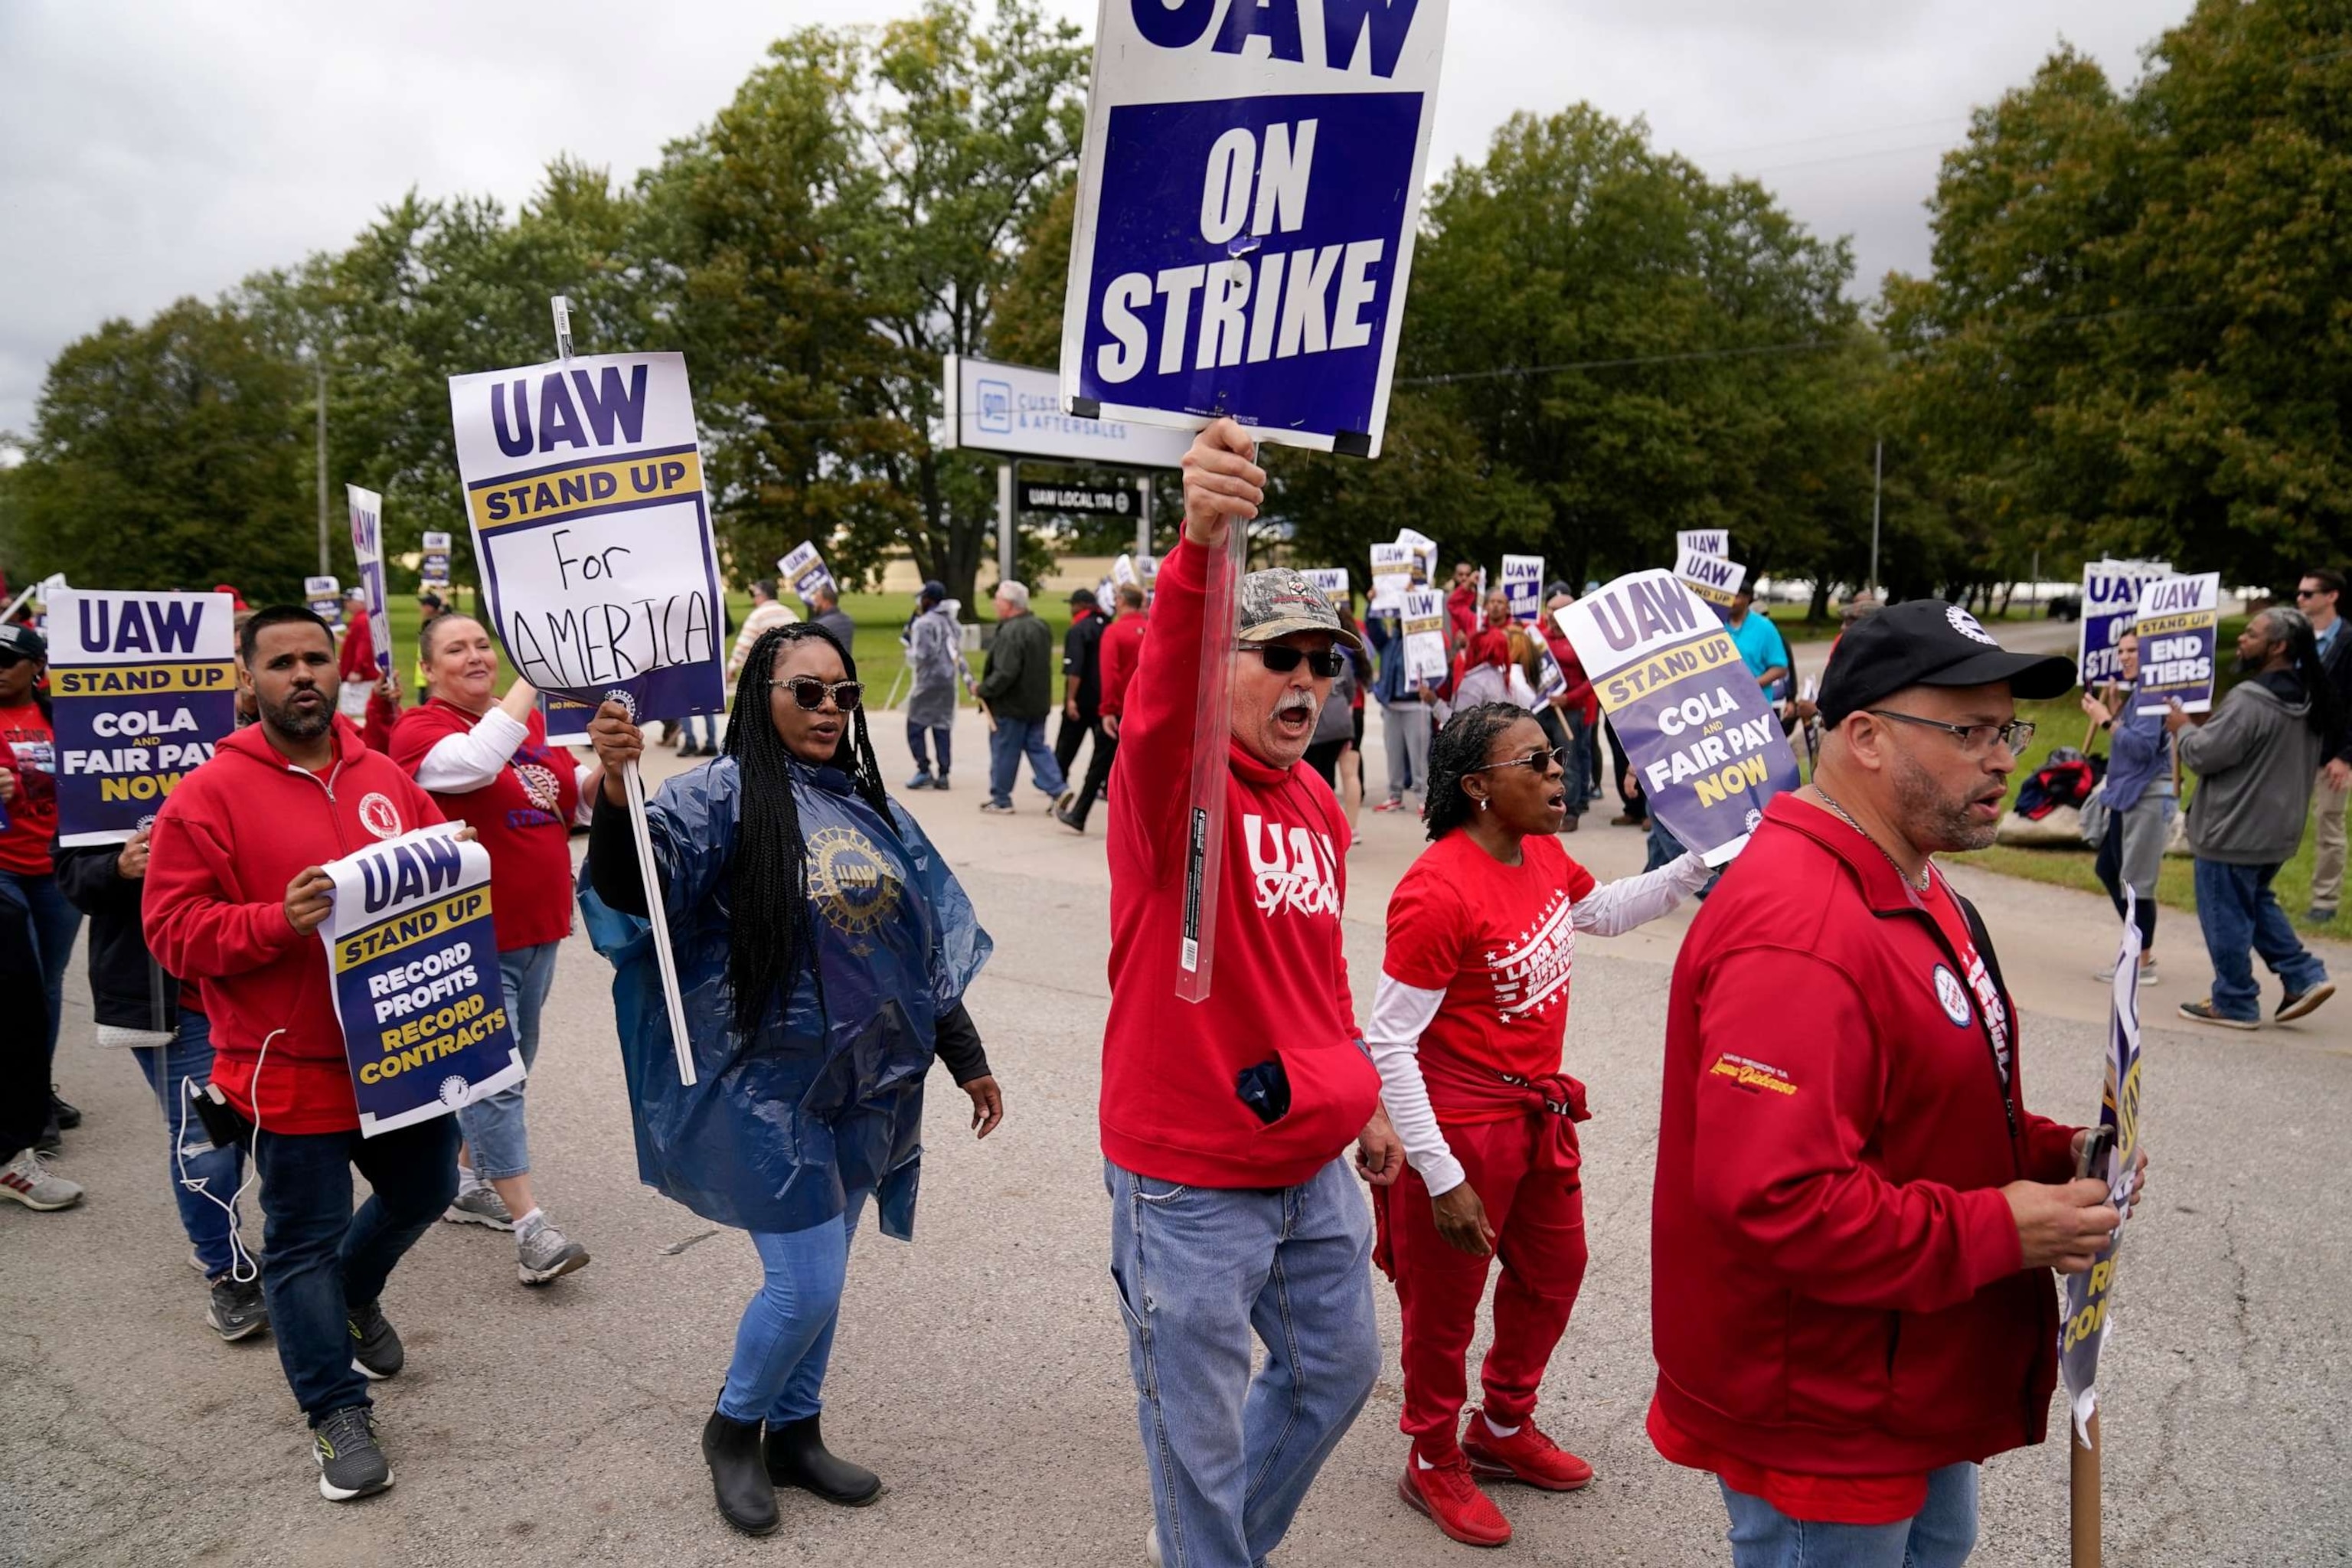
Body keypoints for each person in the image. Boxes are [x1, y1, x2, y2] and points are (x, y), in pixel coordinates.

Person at [1649, 599, 2140, 1568]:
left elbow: (1916, 1099)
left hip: (1904, 1361)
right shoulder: (1798, 927)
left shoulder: (1912, 878)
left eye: (2008, 728)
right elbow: (1779, 1200)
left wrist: (2057, 1156)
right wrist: (2008, 1227)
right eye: (1970, 729)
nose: (2004, 756)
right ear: (1864, 737)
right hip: (1823, 1404)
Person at [577, 620, 1003, 1537]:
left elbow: (917, 942)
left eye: (842, 693)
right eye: (805, 691)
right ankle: (733, 1428)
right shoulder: (720, 797)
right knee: (803, 1281)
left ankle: (796, 1433)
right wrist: (616, 789)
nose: (828, 708)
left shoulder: (867, 800)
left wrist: (965, 1056)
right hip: (761, 1089)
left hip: (863, 1083)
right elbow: (631, 886)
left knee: (830, 1269)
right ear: (757, 697)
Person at [1100, 418, 1403, 1568]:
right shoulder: (1172, 782)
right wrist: (1202, 546)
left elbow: (1318, 967)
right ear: (1225, 660)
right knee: (1196, 1435)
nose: (1308, 683)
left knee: (1335, 1375)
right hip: (1187, 1182)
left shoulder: (1319, 802)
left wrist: (1363, 1096)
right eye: (1279, 657)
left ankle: (1207, 1549)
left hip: (1310, 1158)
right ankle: (1203, 1545)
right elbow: (1166, 684)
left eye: (1325, 666)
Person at [1372, 704, 1708, 1547]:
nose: (1562, 772)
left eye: (1557, 756)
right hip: (1461, 1128)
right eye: (1538, 760)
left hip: (1538, 1113)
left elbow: (1600, 912)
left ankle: (1504, 1425)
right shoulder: (1436, 888)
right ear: (1479, 786)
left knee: (1556, 1270)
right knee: (1444, 1313)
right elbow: (1389, 1038)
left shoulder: (1545, 854)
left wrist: (1697, 863)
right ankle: (1433, 1454)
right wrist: (1440, 1173)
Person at [144, 606, 456, 1501]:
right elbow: (171, 930)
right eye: (280, 662)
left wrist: (456, 857)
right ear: (247, 680)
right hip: (290, 1065)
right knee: (301, 1245)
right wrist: (275, 921)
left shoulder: (386, 776)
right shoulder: (208, 794)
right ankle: (334, 1412)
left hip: (400, 1054)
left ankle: (355, 1296)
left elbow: (441, 854)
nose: (303, 674)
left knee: (425, 1188)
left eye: (317, 657)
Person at [390, 614, 596, 1283]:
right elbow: (476, 761)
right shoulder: (421, 732)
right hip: (470, 939)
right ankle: (531, 1229)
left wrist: (612, 759)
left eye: (483, 644)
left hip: (538, 930)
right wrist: (535, 678)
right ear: (428, 669)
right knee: (497, 1078)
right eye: (457, 649)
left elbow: (571, 801)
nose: (475, 656)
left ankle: (467, 1181)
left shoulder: (528, 727)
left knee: (514, 1066)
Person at [56, 825, 268, 1337]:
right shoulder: (100, 774)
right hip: (176, 999)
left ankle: (297, 1253)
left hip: (264, 979)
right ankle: (225, 1267)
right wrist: (119, 867)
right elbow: (73, 879)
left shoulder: (270, 758)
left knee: (271, 1123)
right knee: (207, 1133)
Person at [2170, 606, 2340, 1028]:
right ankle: (2303, 975)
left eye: (2252, 633)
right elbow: (2252, 745)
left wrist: (2183, 728)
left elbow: (2203, 755)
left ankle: (2235, 1000)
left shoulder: (2250, 699)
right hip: (2277, 832)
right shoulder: (2310, 696)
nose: (2243, 639)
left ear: (2278, 646)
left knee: (2224, 914)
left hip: (2232, 830)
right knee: (2255, 902)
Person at [0, 621, 82, 1155]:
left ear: (37, 667)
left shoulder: (62, 717)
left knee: (48, 984)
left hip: (54, 866)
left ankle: (38, 1090)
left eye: (8, 660)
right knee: (18, 987)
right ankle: (21, 1107)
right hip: (2, 867)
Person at [2079, 628, 2173, 983]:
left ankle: (2142, 961)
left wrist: (2106, 719)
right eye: (2122, 651)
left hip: (2145, 797)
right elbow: (2134, 736)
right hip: (2127, 795)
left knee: (2136, 882)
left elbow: (2143, 748)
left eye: (2134, 650)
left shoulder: (2152, 692)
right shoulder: (2140, 694)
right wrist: (2115, 710)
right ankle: (2137, 947)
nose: (2126, 657)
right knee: (2108, 869)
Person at [0, 773, 73, 1208]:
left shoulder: (60, 711)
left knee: (40, 991)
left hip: (52, 865)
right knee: (14, 998)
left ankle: (31, 1104)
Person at [1061, 583, 1146, 832]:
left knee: (1099, 764)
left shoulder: (1114, 632)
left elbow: (1109, 674)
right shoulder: (1152, 629)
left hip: (1121, 709)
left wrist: (1107, 709)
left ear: (1120, 601)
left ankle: (1079, 813)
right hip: (1146, 708)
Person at [976, 580, 1065, 815]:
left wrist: (984, 689)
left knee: (1005, 751)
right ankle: (1059, 789)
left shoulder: (1011, 631)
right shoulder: (1040, 626)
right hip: (1037, 702)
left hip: (1011, 704)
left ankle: (1001, 798)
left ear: (1008, 604)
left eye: (997, 600)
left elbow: (1006, 671)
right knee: (1037, 747)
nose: (995, 604)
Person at [2296, 568, 2350, 921]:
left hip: (2333, 753)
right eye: (2299, 593)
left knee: (2329, 823)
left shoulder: (2349, 641)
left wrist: (2346, 757)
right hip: (2294, 748)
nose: (2300, 599)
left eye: (2308, 594)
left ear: (2331, 597)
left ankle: (2325, 901)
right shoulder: (2296, 637)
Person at [1367, 587, 1442, 813]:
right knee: (1394, 753)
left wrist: (1417, 595)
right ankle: (1395, 795)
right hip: (1392, 706)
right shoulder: (1390, 642)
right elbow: (1373, 627)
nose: (1401, 618)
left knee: (1419, 755)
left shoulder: (1423, 642)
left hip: (1414, 705)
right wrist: (1372, 604)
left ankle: (1423, 797)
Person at [1540, 584, 1599, 832]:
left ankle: (1572, 811)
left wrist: (1570, 698)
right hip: (1543, 709)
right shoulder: (1539, 637)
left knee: (1569, 762)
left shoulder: (1583, 641)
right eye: (1550, 609)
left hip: (1571, 711)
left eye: (1558, 610)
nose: (1552, 614)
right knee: (1541, 761)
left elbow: (1594, 679)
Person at [1054, 588, 1109, 814]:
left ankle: (1058, 790)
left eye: (1073, 604)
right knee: (1103, 753)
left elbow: (1074, 669)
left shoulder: (1078, 629)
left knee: (1066, 748)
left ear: (1081, 606)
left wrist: (1070, 700)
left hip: (1082, 699)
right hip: (1104, 699)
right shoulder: (1107, 624)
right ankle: (1102, 788)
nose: (1071, 608)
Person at [904, 581, 962, 792]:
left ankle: (924, 768)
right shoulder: (952, 622)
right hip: (948, 682)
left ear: (928, 599)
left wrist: (909, 653)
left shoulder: (924, 623)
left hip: (928, 682)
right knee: (942, 725)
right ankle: (944, 773)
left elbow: (923, 655)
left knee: (915, 725)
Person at [1724, 583, 1792, 703]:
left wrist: (1752, 685)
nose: (1730, 600)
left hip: (1756, 704)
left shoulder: (1765, 627)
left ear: (1748, 598)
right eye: (1726, 595)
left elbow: (1780, 668)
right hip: (1721, 706)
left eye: (1736, 596)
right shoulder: (1715, 623)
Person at [336, 587, 376, 725]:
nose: (346, 604)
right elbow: (355, 644)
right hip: (360, 675)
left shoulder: (362, 620)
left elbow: (364, 646)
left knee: (355, 712)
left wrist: (357, 669)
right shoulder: (361, 619)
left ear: (360, 601)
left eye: (349, 600)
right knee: (352, 711)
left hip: (361, 677)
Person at [806, 582, 858, 654]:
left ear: (826, 603)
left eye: (816, 601)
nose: (814, 605)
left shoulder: (820, 625)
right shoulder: (848, 620)